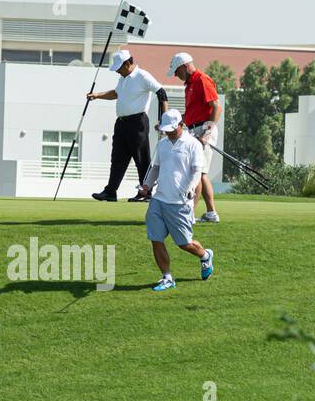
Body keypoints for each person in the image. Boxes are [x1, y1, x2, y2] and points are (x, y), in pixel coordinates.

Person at [138, 109, 214, 292]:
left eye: (172, 129)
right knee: (156, 239)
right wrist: (147, 185)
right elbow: (155, 168)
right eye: (166, 130)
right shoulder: (163, 144)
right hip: (159, 199)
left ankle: (205, 255)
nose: (169, 132)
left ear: (181, 125)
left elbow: (197, 171)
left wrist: (190, 188)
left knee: (184, 243)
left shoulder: (192, 144)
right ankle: (167, 277)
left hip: (180, 202)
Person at [87, 49, 169, 203]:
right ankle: (111, 192)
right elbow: (116, 93)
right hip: (121, 123)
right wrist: (97, 95)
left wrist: (164, 119)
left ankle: (146, 192)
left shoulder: (142, 76)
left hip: (137, 123)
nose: (117, 71)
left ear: (128, 63)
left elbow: (162, 93)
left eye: (119, 68)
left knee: (141, 159)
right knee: (117, 158)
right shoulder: (124, 78)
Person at [168, 52, 221, 222]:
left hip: (204, 129)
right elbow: (191, 114)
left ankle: (188, 213)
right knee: (201, 173)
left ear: (184, 66)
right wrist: (171, 124)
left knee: (197, 172)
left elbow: (216, 108)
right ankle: (211, 213)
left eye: (177, 71)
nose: (176, 75)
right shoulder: (189, 84)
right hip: (194, 130)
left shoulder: (201, 80)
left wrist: (207, 133)